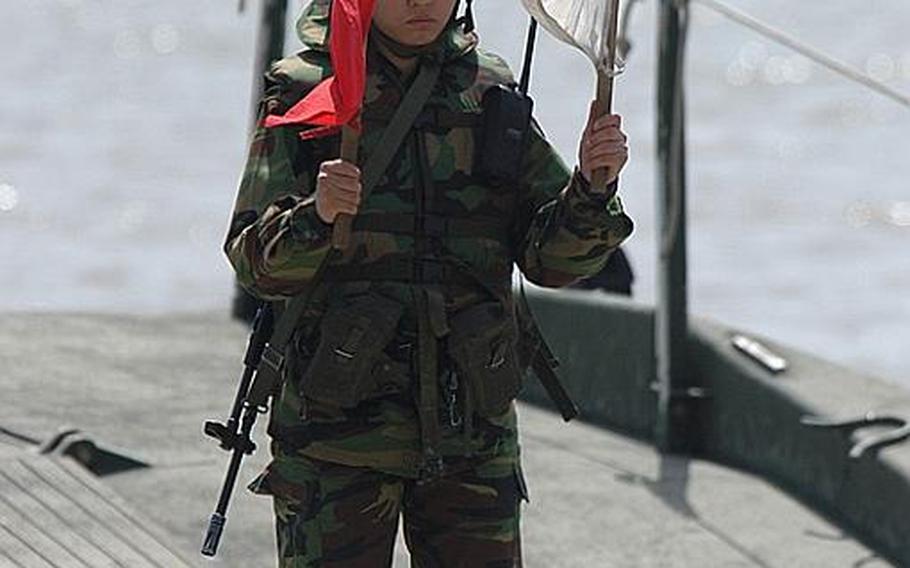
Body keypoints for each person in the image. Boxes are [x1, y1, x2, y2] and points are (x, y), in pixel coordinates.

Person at [223, 0, 633, 565]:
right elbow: (254, 262)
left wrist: (590, 190)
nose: (421, 3)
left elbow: (551, 262)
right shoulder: (308, 91)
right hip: (339, 437)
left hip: (471, 432)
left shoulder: (488, 90)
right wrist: (314, 217)